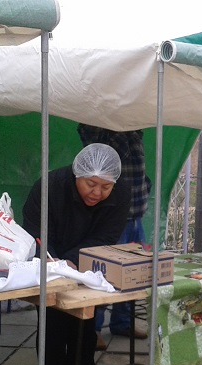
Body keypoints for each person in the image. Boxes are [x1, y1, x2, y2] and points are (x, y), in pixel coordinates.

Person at [22, 143, 130, 365]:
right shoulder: (48, 187)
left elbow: (106, 235)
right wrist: (54, 261)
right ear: (76, 174)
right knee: (52, 327)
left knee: (85, 327)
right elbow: (35, 229)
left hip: (89, 266)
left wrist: (73, 261)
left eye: (105, 187)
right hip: (50, 264)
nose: (97, 193)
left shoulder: (121, 195)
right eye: (91, 184)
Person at [77, 124, 150, 344]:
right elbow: (87, 131)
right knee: (103, 274)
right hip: (113, 218)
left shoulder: (134, 132)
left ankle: (122, 323)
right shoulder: (104, 131)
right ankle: (93, 328)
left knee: (134, 273)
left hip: (136, 214)